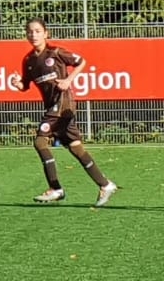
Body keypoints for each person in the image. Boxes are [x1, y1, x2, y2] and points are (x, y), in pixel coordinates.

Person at [19, 19, 119, 206]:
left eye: (38, 31)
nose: (33, 35)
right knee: (75, 147)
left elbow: (81, 62)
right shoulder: (28, 60)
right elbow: (24, 85)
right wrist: (17, 84)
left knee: (40, 141)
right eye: (30, 31)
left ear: (45, 33)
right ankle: (105, 185)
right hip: (52, 106)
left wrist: (68, 80)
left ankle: (55, 188)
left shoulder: (55, 52)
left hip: (63, 103)